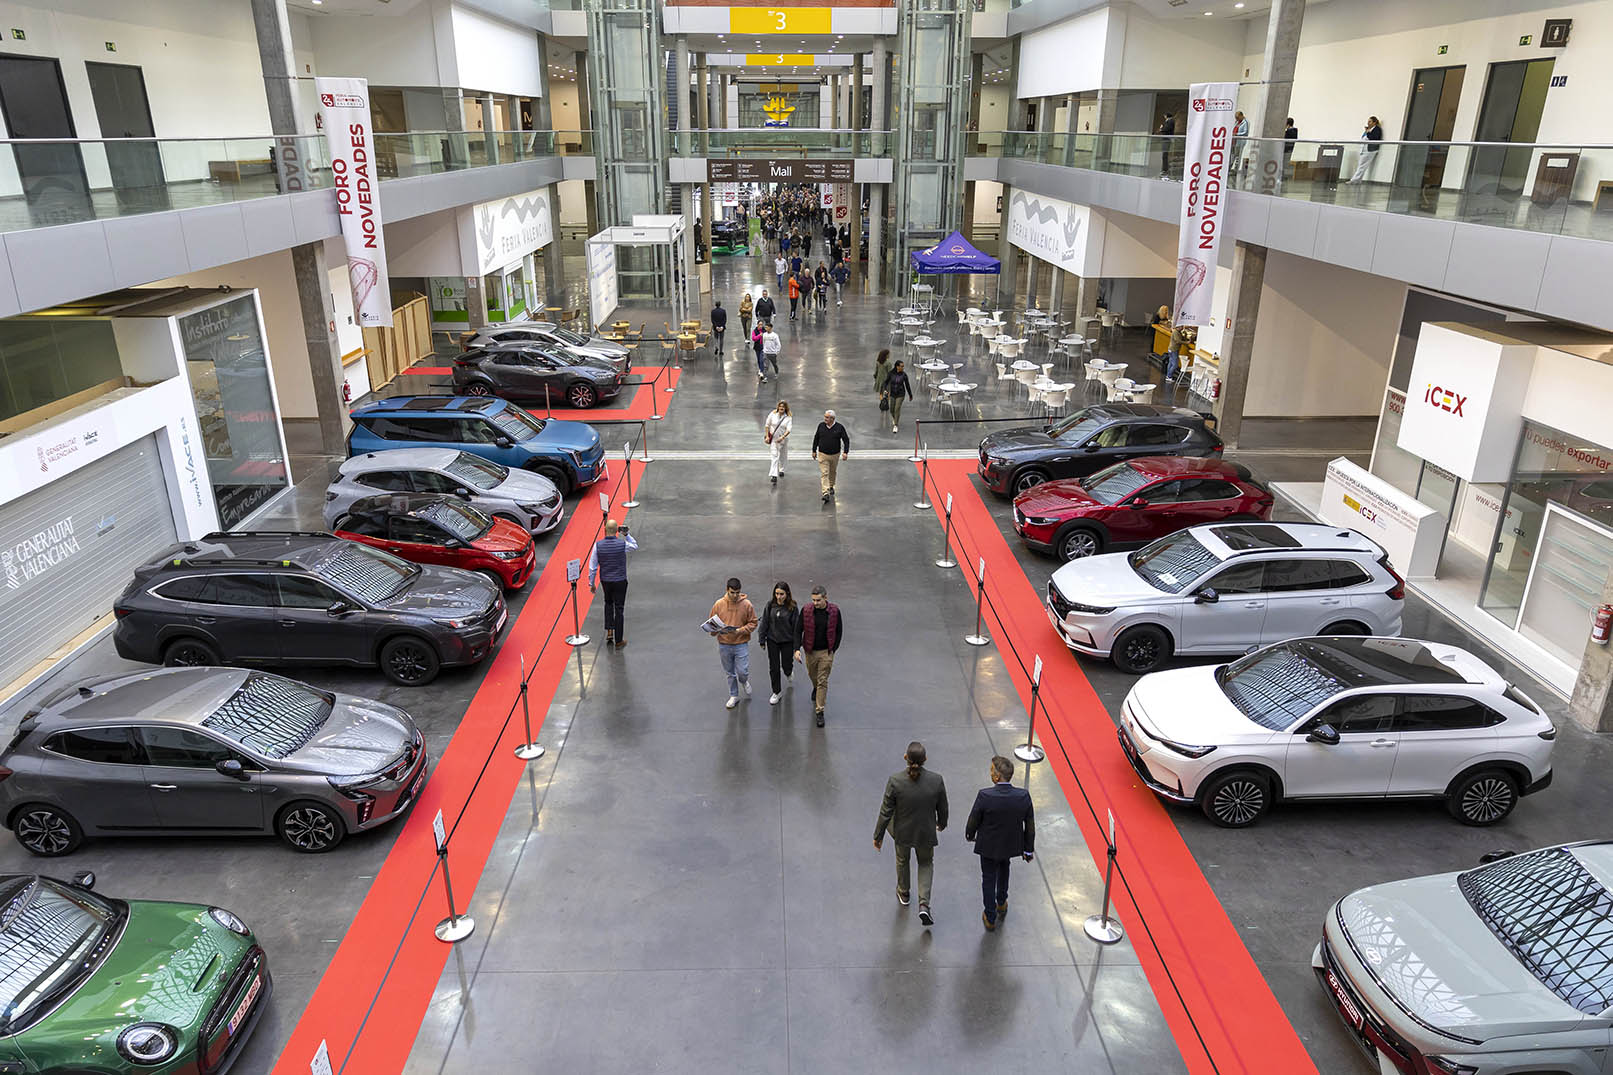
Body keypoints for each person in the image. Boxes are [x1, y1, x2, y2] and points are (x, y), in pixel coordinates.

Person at [874, 741, 948, 927]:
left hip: (902, 832)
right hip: (925, 832)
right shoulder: (936, 780)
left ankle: (904, 892)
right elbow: (943, 807)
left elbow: (886, 811)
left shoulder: (895, 781)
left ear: (905, 758)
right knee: (925, 863)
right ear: (925, 759)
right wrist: (941, 823)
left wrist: (878, 836)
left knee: (902, 860)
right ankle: (924, 904)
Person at [964, 755, 1035, 932]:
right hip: (1010, 845)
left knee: (988, 878)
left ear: (997, 776)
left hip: (988, 846)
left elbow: (974, 819)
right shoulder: (1023, 796)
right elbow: (1030, 825)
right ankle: (1001, 902)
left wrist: (970, 835)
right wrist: (1028, 850)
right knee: (1004, 869)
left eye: (991, 770)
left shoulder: (985, 795)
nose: (990, 773)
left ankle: (990, 917)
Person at [587, 518, 637, 648]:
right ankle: (619, 640)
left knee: (608, 603)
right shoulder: (622, 544)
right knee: (619, 609)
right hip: (620, 580)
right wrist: (626, 534)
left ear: (605, 530)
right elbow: (634, 545)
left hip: (606, 581)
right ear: (616, 531)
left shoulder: (597, 546)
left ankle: (609, 630)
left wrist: (591, 583)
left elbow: (592, 567)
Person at [710, 577, 758, 710]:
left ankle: (744, 681)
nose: (735, 595)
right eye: (732, 592)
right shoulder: (719, 604)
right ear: (727, 590)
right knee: (729, 672)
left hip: (741, 643)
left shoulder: (747, 604)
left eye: (738, 592)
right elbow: (712, 623)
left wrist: (740, 631)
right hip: (724, 644)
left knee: (742, 671)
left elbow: (753, 623)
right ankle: (734, 695)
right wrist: (714, 631)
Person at [799, 583, 841, 726]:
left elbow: (839, 631)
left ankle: (819, 711)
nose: (815, 603)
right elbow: (798, 629)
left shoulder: (834, 611)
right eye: (813, 600)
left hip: (826, 652)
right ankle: (815, 687)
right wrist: (797, 649)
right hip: (810, 651)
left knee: (822, 680)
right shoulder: (806, 610)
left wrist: (833, 649)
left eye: (818, 600)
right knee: (813, 675)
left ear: (825, 598)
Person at [759, 581, 802, 705]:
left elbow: (796, 627)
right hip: (772, 640)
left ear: (787, 594)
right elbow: (764, 622)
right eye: (777, 593)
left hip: (787, 641)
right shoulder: (770, 605)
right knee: (774, 667)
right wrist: (762, 639)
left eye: (781, 594)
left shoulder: (793, 607)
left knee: (786, 664)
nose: (779, 597)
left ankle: (788, 671)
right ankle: (776, 692)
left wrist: (796, 647)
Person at [812, 409, 850, 503]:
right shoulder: (821, 426)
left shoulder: (839, 427)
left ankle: (831, 485)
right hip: (823, 454)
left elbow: (846, 440)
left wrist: (845, 452)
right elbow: (816, 438)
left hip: (835, 454)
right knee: (824, 473)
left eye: (827, 417)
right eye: (825, 417)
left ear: (832, 419)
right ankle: (825, 492)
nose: (825, 419)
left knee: (832, 471)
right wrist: (814, 450)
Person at [1349, 116, 1383, 184]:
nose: (1368, 123)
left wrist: (1368, 132)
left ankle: (1354, 180)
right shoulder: (1369, 129)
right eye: (1368, 121)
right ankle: (1358, 180)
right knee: (1361, 165)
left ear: (1374, 122)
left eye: (1370, 121)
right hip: (1364, 149)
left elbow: (1374, 138)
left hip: (1370, 150)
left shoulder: (1377, 129)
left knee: (1362, 165)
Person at [765, 399, 792, 484]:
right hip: (774, 439)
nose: (781, 408)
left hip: (783, 439)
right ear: (778, 407)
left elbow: (788, 430)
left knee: (783, 455)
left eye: (783, 407)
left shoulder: (788, 418)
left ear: (785, 408)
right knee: (774, 456)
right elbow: (767, 425)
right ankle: (774, 475)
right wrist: (767, 436)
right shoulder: (773, 414)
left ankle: (782, 469)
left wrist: (783, 437)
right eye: (780, 406)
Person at [885, 359, 913, 434]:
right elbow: (886, 382)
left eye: (903, 366)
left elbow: (907, 385)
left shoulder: (904, 375)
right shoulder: (891, 373)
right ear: (897, 367)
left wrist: (910, 394)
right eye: (901, 366)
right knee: (892, 409)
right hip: (892, 394)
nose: (903, 368)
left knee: (897, 409)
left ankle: (895, 425)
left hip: (901, 394)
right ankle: (895, 419)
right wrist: (886, 390)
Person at [1231, 110, 1250, 187]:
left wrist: (1236, 134)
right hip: (1234, 141)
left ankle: (1235, 170)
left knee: (1238, 156)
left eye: (1238, 117)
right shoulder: (1237, 122)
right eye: (1236, 118)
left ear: (1242, 116)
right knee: (1233, 155)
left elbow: (1245, 132)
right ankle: (1230, 168)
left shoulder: (1245, 122)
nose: (1237, 119)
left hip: (1240, 142)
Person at [1157, 111, 1176, 177]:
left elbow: (1166, 129)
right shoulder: (1168, 121)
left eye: (1164, 115)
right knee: (1164, 155)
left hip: (1167, 139)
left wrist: (1161, 128)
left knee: (1165, 154)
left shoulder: (1170, 121)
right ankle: (1164, 169)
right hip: (1165, 139)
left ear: (1166, 115)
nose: (1164, 116)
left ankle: (1165, 170)